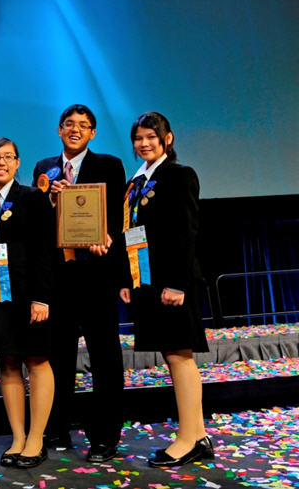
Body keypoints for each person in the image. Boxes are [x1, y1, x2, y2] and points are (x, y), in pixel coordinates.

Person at [32, 104, 126, 463]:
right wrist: (50, 201)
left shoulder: (109, 165)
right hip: (58, 278)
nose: (75, 130)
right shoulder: (44, 168)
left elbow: (116, 218)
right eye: (69, 124)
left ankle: (105, 437)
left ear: (93, 134)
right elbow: (36, 221)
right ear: (59, 130)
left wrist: (108, 237)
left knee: (105, 357)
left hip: (97, 274)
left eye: (83, 126)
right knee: (58, 357)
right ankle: (57, 428)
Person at [119, 111, 211, 467]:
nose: (144, 143)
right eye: (139, 138)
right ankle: (197, 435)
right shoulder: (135, 182)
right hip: (148, 284)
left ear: (167, 139)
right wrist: (129, 281)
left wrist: (177, 283)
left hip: (174, 286)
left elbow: (186, 233)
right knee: (172, 356)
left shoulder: (178, 175)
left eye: (151, 137)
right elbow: (132, 235)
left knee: (179, 355)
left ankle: (190, 438)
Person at [0, 137, 55, 468]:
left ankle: (36, 439)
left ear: (18, 163)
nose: (1, 162)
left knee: (36, 361)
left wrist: (42, 297)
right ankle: (18, 437)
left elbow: (45, 250)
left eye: (8, 157)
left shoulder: (32, 197)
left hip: (29, 297)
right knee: (8, 363)